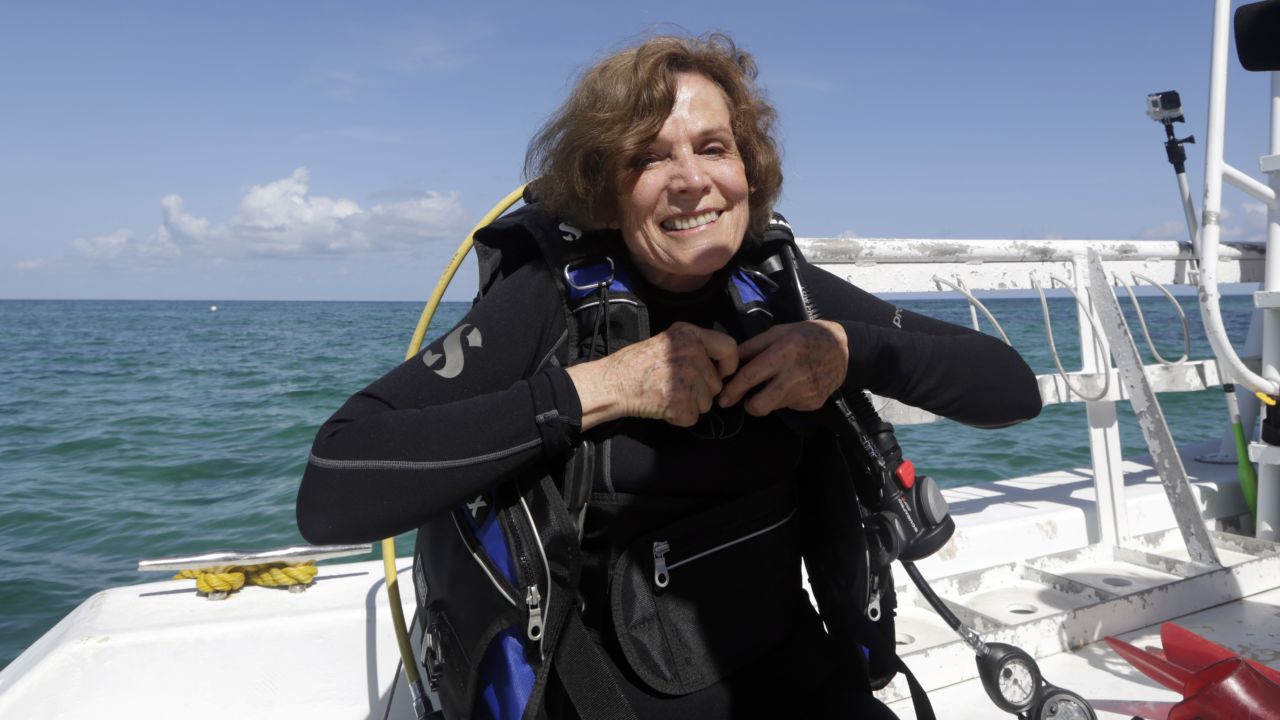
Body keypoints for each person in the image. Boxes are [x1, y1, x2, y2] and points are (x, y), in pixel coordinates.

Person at [296, 33, 1041, 720]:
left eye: (713, 147)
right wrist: (602, 388)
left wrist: (848, 350)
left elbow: (1012, 389)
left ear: (748, 167)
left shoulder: (779, 291)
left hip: (797, 676)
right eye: (650, 158)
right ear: (606, 186)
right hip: (607, 697)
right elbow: (334, 489)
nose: (691, 180)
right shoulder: (549, 305)